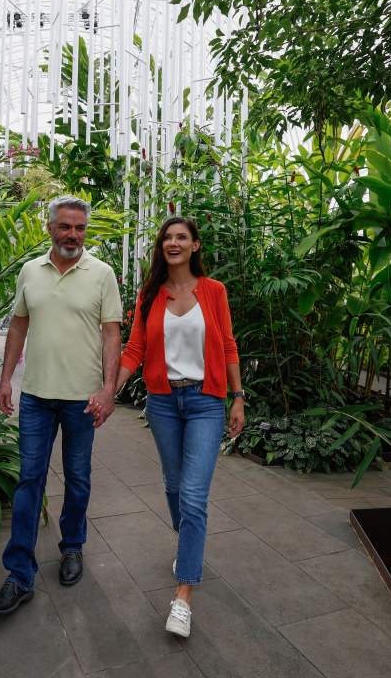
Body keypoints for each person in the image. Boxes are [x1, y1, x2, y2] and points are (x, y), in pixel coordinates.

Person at [0, 195, 122, 615]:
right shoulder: (31, 271)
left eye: (80, 228)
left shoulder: (102, 274)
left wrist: (108, 389)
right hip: (37, 398)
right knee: (30, 480)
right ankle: (19, 574)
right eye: (65, 226)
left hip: (83, 400)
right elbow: (19, 327)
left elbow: (112, 335)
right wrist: (6, 378)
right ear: (50, 228)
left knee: (78, 479)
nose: (73, 235)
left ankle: (72, 547)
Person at [113, 217, 244, 638]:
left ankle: (183, 594)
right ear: (162, 246)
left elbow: (227, 343)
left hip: (206, 402)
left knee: (192, 494)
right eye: (167, 237)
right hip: (164, 402)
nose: (173, 243)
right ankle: (189, 538)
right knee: (173, 486)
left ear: (195, 245)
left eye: (181, 237)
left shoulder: (214, 291)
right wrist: (107, 390)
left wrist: (238, 397)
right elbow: (135, 349)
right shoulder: (150, 295)